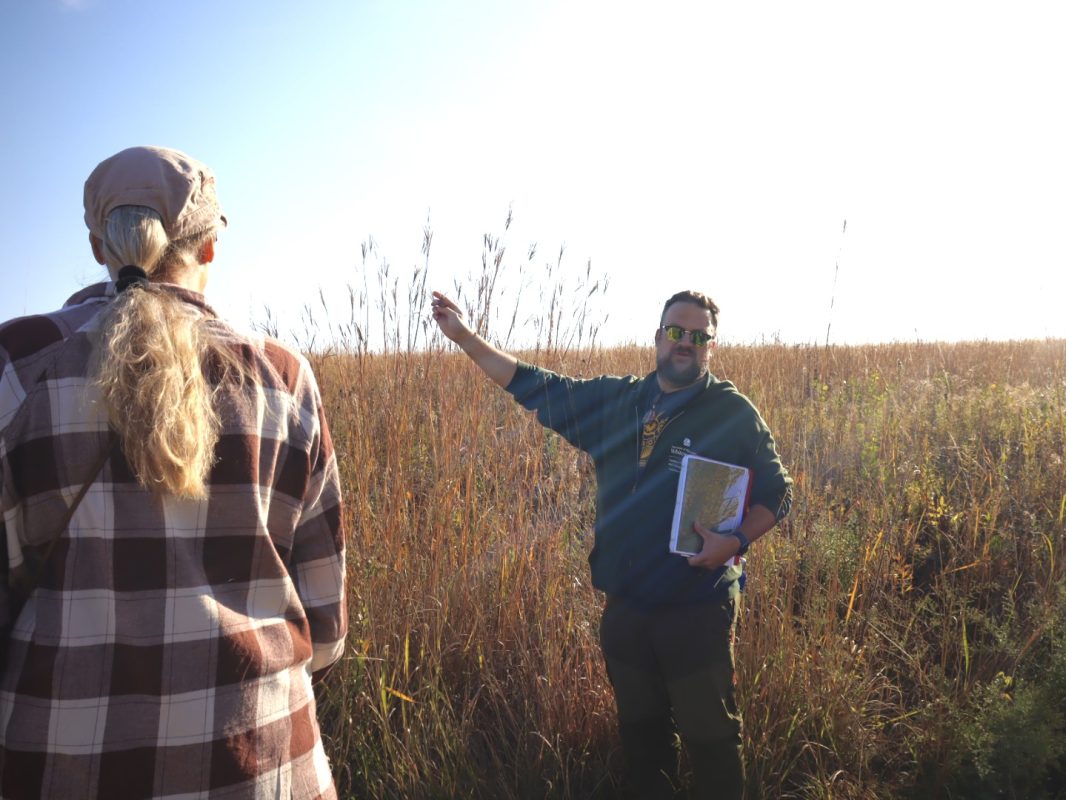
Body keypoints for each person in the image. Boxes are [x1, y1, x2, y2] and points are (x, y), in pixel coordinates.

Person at [0, 146, 347, 799]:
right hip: (265, 767)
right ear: (210, 247)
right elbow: (325, 630)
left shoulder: (17, 368)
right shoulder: (285, 381)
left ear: (100, 244)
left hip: (62, 769)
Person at [432, 288, 792, 799]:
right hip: (625, 612)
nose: (684, 343)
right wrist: (466, 338)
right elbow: (536, 385)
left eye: (697, 336)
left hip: (697, 608)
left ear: (711, 345)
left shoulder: (732, 413)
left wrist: (733, 541)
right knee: (643, 740)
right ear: (657, 338)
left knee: (711, 740)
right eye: (675, 332)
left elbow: (779, 494)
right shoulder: (619, 401)